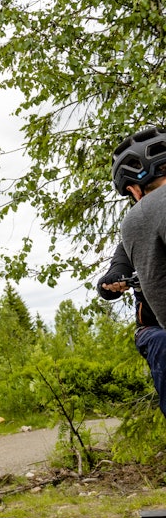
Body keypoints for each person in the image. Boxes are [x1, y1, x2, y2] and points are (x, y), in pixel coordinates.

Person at [103, 125, 166, 415]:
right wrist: (112, 281)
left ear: (132, 189)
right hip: (153, 327)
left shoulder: (137, 217)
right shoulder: (133, 233)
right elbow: (117, 267)